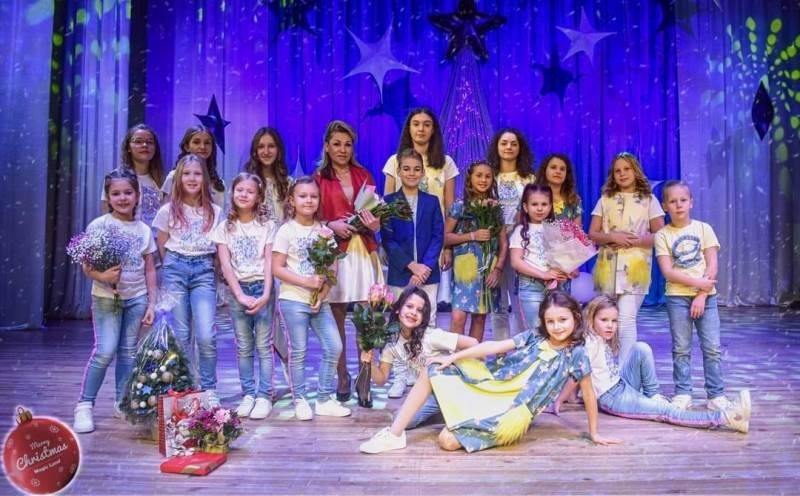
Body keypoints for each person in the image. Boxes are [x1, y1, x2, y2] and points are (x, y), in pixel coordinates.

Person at [359, 291, 620, 453]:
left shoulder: (577, 354)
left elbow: (588, 394)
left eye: (563, 320)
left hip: (510, 410)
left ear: (575, 317)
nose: (557, 326)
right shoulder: (534, 337)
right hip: (492, 386)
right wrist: (454, 357)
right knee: (434, 368)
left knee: (447, 441)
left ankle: (455, 417)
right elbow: (493, 346)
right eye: (550, 321)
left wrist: (594, 432)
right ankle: (394, 436)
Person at [556, 295, 750, 432]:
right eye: (604, 320)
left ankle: (653, 395)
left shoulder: (597, 338)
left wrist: (573, 398)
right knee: (665, 412)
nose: (610, 325)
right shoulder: (589, 344)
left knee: (640, 348)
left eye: (614, 321)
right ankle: (725, 418)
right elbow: (576, 375)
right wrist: (559, 401)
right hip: (613, 399)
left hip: (621, 385)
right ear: (591, 319)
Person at [73, 170, 157, 433]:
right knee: (105, 351)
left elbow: (150, 269)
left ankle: (122, 401)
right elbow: (87, 266)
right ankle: (85, 404)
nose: (122, 198)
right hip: (106, 299)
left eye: (128, 193)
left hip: (137, 298)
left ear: (137, 195)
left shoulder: (144, 230)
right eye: (116, 193)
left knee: (128, 351)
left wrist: (151, 303)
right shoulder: (99, 225)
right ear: (108, 197)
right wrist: (103, 276)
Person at [314, 120, 382, 407]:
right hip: (336, 254)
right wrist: (331, 225)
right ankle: (342, 376)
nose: (342, 149)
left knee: (367, 318)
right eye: (337, 144)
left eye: (347, 144)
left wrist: (375, 223)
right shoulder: (318, 179)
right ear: (327, 147)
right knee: (337, 316)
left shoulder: (363, 174)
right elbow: (310, 217)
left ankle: (364, 378)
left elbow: (376, 216)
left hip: (363, 251)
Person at [272, 177, 351, 420]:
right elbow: (277, 268)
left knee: (334, 346)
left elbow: (333, 268)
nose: (308, 200)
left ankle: (324, 399)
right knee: (299, 351)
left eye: (313, 196)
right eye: (303, 196)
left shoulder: (324, 232)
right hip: (293, 299)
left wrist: (323, 294)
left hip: (319, 301)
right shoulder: (286, 231)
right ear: (292, 201)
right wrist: (306, 282)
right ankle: (300, 399)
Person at [152, 154, 222, 404]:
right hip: (176, 268)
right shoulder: (167, 210)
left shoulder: (215, 212)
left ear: (205, 178)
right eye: (187, 174)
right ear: (178, 178)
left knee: (206, 334)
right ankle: (186, 387)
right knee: (181, 334)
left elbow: (219, 247)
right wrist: (174, 267)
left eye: (197, 173)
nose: (192, 178)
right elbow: (162, 244)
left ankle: (209, 388)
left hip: (203, 270)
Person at [655, 180, 731, 411]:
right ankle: (683, 393)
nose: (679, 205)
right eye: (673, 201)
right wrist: (698, 284)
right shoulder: (662, 235)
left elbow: (712, 265)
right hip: (677, 298)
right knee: (681, 348)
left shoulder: (704, 229)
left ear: (691, 203)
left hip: (706, 298)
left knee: (712, 347)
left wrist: (701, 295)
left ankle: (716, 395)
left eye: (683, 200)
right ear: (665, 206)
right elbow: (668, 272)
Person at [588, 152, 665, 364]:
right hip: (607, 268)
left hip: (635, 269)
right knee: (604, 320)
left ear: (636, 171)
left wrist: (635, 240)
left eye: (627, 169)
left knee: (626, 320)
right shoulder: (605, 200)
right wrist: (612, 237)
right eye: (617, 171)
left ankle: (625, 373)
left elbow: (661, 235)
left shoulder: (649, 200)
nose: (622, 174)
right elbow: (592, 234)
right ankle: (603, 367)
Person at [212, 172, 277, 420]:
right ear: (232, 193)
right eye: (240, 190)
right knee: (244, 346)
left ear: (258, 196)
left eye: (250, 191)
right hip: (237, 290)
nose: (244, 195)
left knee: (263, 344)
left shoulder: (267, 226)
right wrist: (238, 295)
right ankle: (248, 394)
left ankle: (264, 395)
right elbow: (225, 265)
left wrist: (266, 294)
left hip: (262, 288)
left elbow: (269, 262)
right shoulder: (224, 228)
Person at [381, 148, 444, 398]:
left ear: (423, 172)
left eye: (416, 169)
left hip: (428, 273)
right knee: (399, 323)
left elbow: (438, 236)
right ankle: (399, 376)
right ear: (398, 171)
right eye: (406, 169)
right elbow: (388, 239)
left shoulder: (432, 201)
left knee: (427, 321)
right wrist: (411, 266)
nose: (411, 173)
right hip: (401, 272)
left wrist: (425, 266)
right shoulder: (388, 202)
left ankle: (422, 375)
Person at [360, 287, 477, 421]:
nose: (413, 313)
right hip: (431, 395)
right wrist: (370, 363)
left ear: (423, 317)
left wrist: (451, 358)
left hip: (451, 387)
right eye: (409, 306)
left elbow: (473, 343)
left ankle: (455, 407)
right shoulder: (391, 342)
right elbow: (381, 380)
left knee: (404, 419)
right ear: (398, 309)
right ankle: (443, 411)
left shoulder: (431, 336)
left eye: (420, 310)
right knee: (400, 419)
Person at [445, 160, 508, 342]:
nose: (483, 180)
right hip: (465, 269)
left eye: (488, 176)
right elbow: (445, 237)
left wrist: (498, 269)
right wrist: (472, 236)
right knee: (458, 317)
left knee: (480, 317)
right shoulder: (460, 206)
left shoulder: (495, 208)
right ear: (469, 179)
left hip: (488, 269)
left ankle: (473, 357)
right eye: (479, 175)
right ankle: (455, 355)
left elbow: (504, 243)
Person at [487, 128, 536, 340]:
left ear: (520, 148)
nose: (508, 147)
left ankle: (524, 349)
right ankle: (500, 352)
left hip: (522, 244)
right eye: (504, 143)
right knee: (497, 302)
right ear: (497, 147)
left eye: (513, 144)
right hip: (494, 245)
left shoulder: (529, 178)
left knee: (520, 300)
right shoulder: (488, 176)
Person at [509, 183, 574, 329]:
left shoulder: (557, 229)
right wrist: (543, 274)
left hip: (555, 286)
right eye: (534, 204)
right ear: (525, 207)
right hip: (531, 285)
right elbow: (515, 261)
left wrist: (567, 269)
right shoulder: (520, 231)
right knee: (537, 329)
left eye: (544, 204)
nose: (539, 208)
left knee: (556, 328)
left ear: (550, 206)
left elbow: (563, 257)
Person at [101, 124, 166, 226]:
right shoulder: (115, 177)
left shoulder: (161, 179)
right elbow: (107, 213)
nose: (144, 145)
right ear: (128, 147)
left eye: (150, 142)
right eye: (138, 141)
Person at [162, 125, 226, 207]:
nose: (202, 147)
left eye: (207, 143)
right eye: (196, 142)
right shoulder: (173, 177)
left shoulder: (219, 183)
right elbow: (165, 209)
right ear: (186, 147)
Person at [244, 127, 291, 224]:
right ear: (255, 151)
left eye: (271, 146)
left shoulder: (289, 183)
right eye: (261, 146)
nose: (266, 152)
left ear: (278, 150)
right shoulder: (245, 183)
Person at [534, 153, 583, 224]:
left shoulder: (574, 199)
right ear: (544, 171)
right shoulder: (532, 196)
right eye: (553, 167)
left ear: (566, 174)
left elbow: (577, 229)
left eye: (562, 169)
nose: (558, 171)